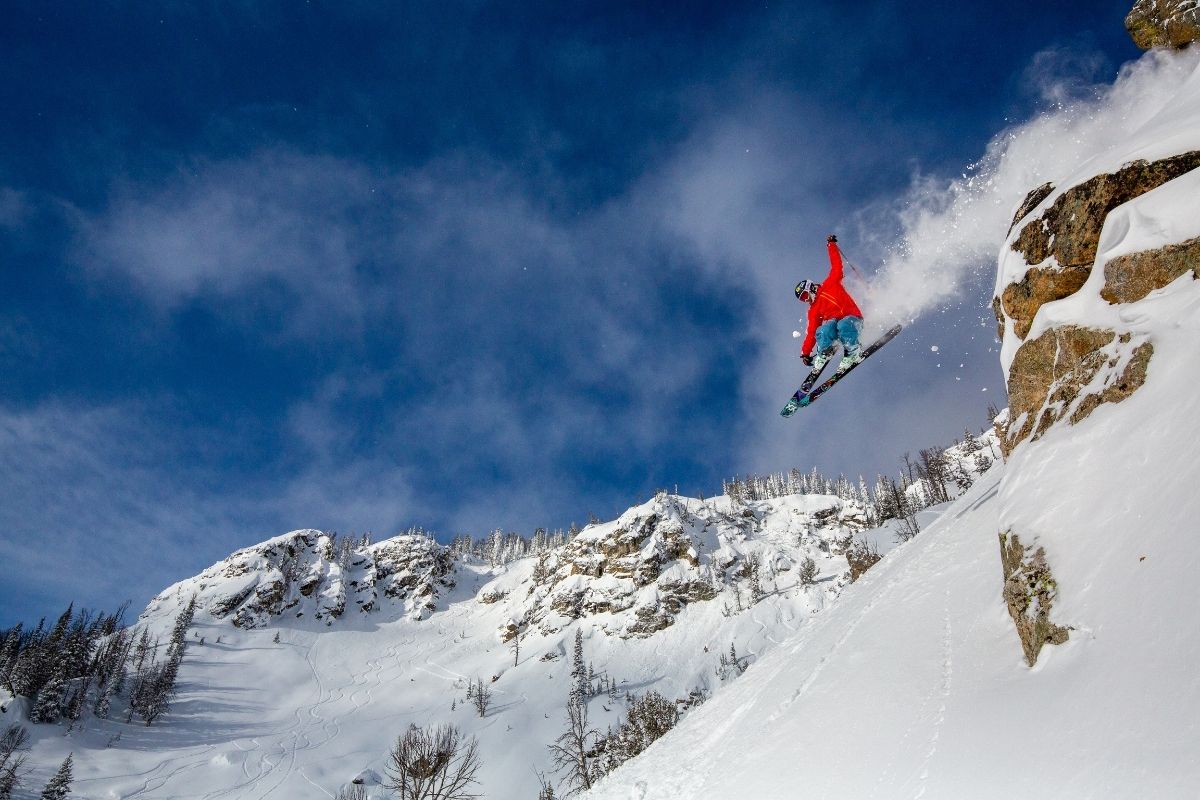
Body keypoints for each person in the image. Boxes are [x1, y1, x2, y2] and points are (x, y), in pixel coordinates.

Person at [796, 234, 865, 372]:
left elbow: (836, 265)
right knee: (823, 330)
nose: (806, 300)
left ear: (810, 288)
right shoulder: (813, 309)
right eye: (803, 299)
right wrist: (805, 352)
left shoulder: (830, 283)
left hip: (853, 319)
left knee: (843, 324)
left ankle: (853, 352)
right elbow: (811, 332)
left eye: (805, 296)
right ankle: (824, 352)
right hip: (836, 328)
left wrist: (831, 245)